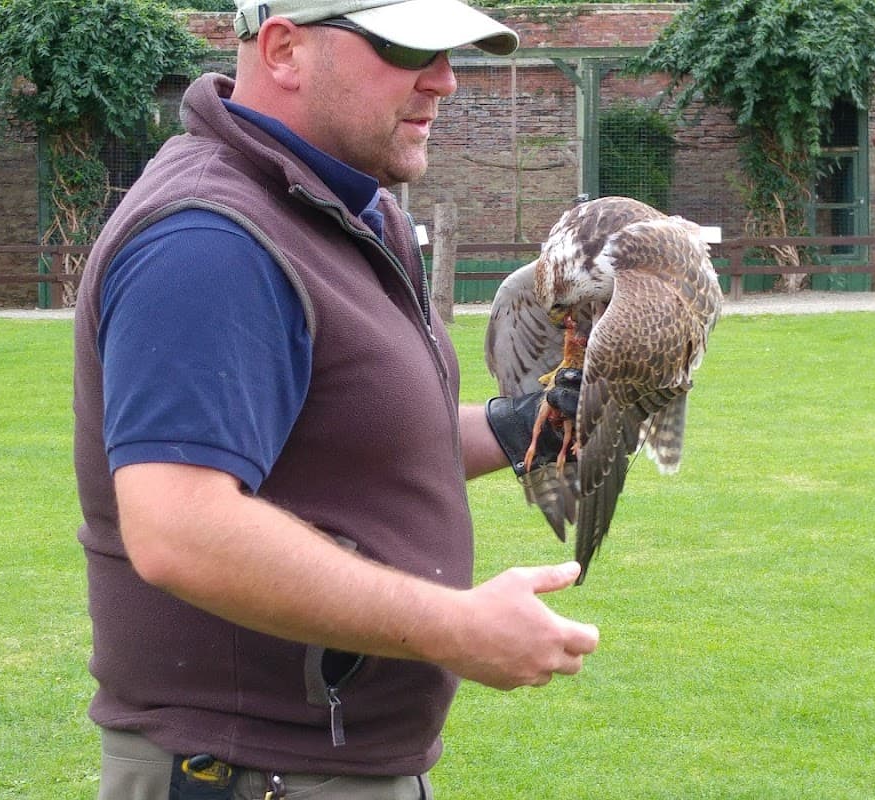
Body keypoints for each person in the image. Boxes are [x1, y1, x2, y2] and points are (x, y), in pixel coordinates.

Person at [72, 1, 599, 796]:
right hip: (249, 774)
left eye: (449, 52)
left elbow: (346, 442)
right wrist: (455, 627)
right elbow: (178, 528)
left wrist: (524, 424)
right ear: (283, 49)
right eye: (406, 48)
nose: (445, 81)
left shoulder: (345, 207)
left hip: (325, 767)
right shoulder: (209, 240)